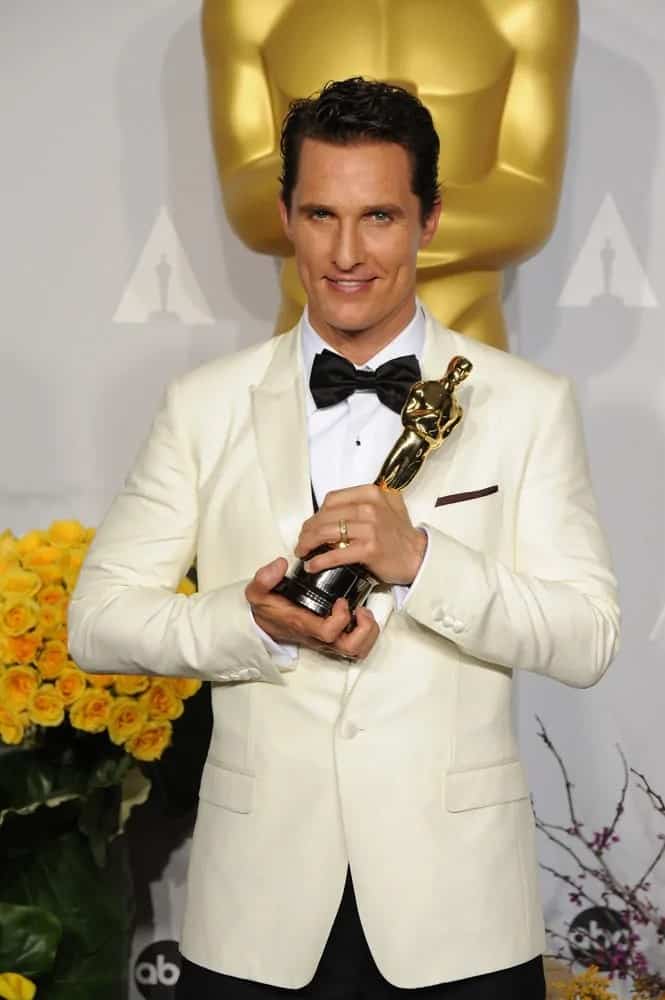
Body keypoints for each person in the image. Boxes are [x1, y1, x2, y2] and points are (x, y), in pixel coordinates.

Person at [68, 78, 620, 999]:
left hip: (459, 915)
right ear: (286, 215)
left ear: (428, 221)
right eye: (320, 214)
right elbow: (98, 622)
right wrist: (250, 625)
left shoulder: (526, 405)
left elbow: (588, 635)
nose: (347, 252)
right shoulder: (203, 407)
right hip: (257, 913)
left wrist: (424, 564)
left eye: (379, 216)